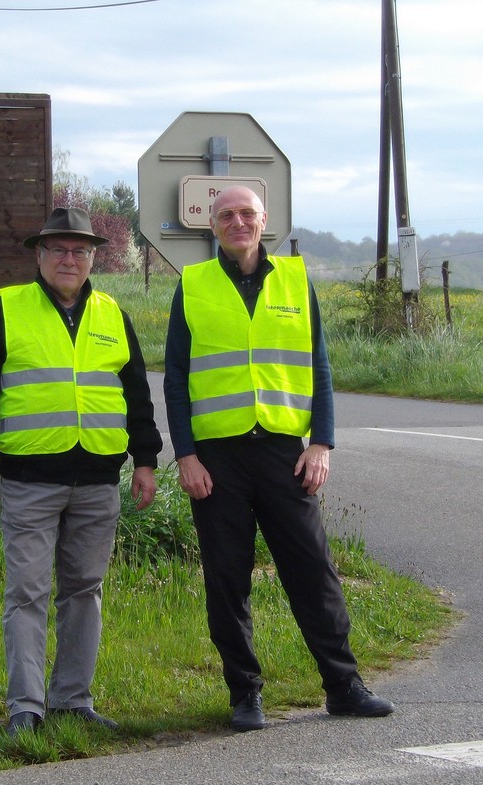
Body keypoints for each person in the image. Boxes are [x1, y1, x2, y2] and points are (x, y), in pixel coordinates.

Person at [162, 186, 395, 732]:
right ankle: (245, 694)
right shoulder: (192, 285)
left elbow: (319, 366)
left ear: (264, 221)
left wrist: (322, 442)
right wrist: (186, 456)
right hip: (216, 460)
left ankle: (343, 686)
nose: (237, 222)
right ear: (211, 225)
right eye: (226, 216)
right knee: (227, 578)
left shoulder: (294, 279)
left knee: (313, 571)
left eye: (247, 214)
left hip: (283, 454)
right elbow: (175, 378)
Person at [0, 206, 162, 738]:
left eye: (81, 251)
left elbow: (136, 395)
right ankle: (27, 706)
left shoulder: (114, 314)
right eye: (59, 249)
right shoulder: (6, 310)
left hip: (97, 481)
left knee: (84, 590)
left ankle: (72, 699)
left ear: (93, 258)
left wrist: (146, 460)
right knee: (27, 592)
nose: (70, 259)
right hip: (30, 481)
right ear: (39, 255)